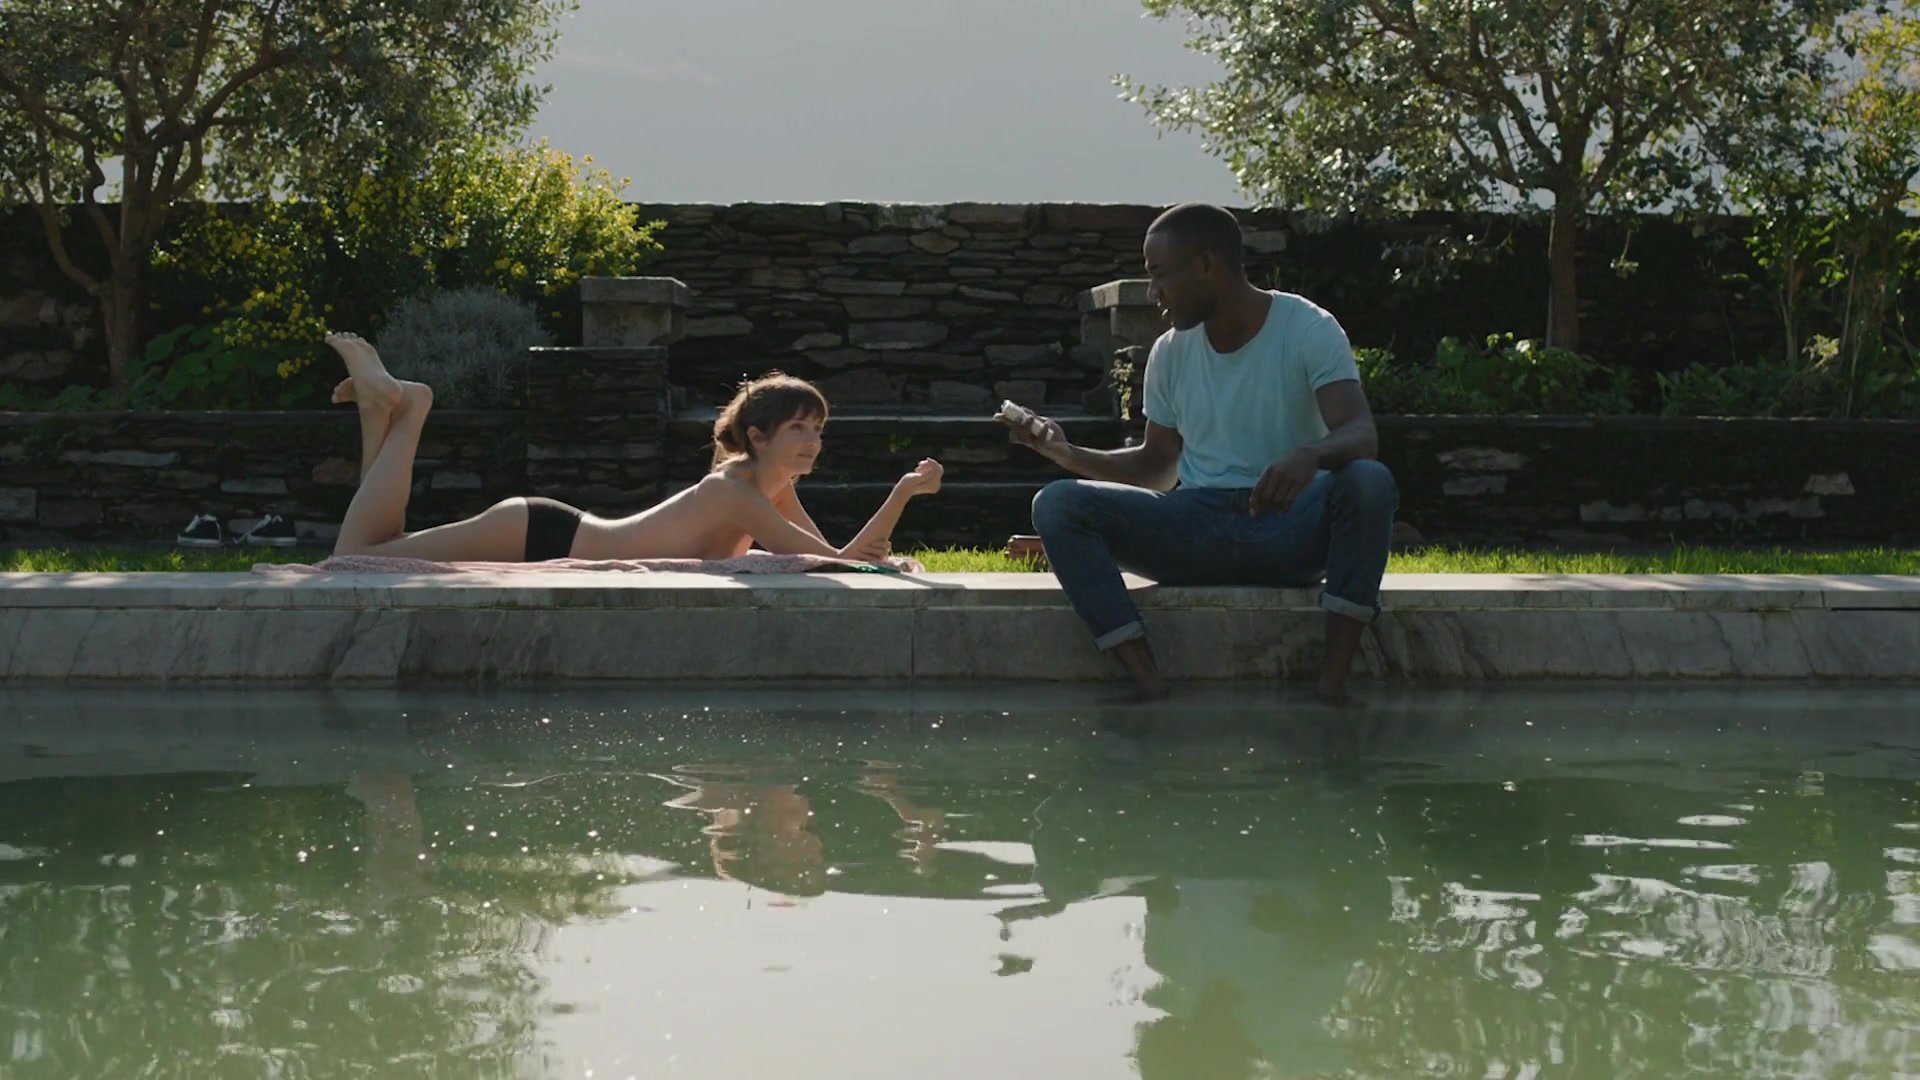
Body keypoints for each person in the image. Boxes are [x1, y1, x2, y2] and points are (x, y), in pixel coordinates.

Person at [1008, 203, 1397, 705]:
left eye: (1159, 274)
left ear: (1206, 265)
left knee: (1369, 480)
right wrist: (1067, 454)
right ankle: (1147, 682)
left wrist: (1310, 456)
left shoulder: (1308, 328)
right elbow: (1157, 465)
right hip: (1194, 527)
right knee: (1058, 503)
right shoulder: (1170, 351)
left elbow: (1361, 433)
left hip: (1286, 527)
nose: (1153, 292)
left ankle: (1333, 684)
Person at [320, 332, 943, 563]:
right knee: (358, 555)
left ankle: (380, 411)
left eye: (817, 429)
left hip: (553, 530)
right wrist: (904, 492)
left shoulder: (768, 488)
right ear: (759, 437)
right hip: (544, 534)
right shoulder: (735, 491)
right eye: (799, 430)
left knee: (376, 550)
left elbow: (836, 558)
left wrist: (887, 522)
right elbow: (844, 561)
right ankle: (414, 406)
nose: (813, 442)